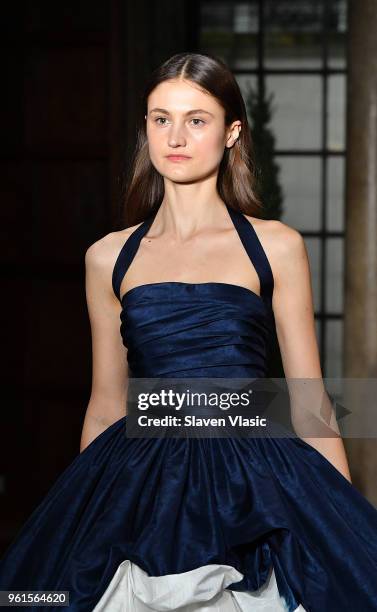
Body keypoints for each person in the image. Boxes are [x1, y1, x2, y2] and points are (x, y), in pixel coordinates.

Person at [0, 52, 376, 612]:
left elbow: (309, 400)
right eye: (160, 118)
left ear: (231, 132)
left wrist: (338, 518)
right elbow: (106, 405)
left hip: (257, 475)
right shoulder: (108, 257)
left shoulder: (276, 246)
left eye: (196, 119)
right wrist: (86, 515)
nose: (175, 136)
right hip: (141, 478)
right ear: (145, 129)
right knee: (42, 595)